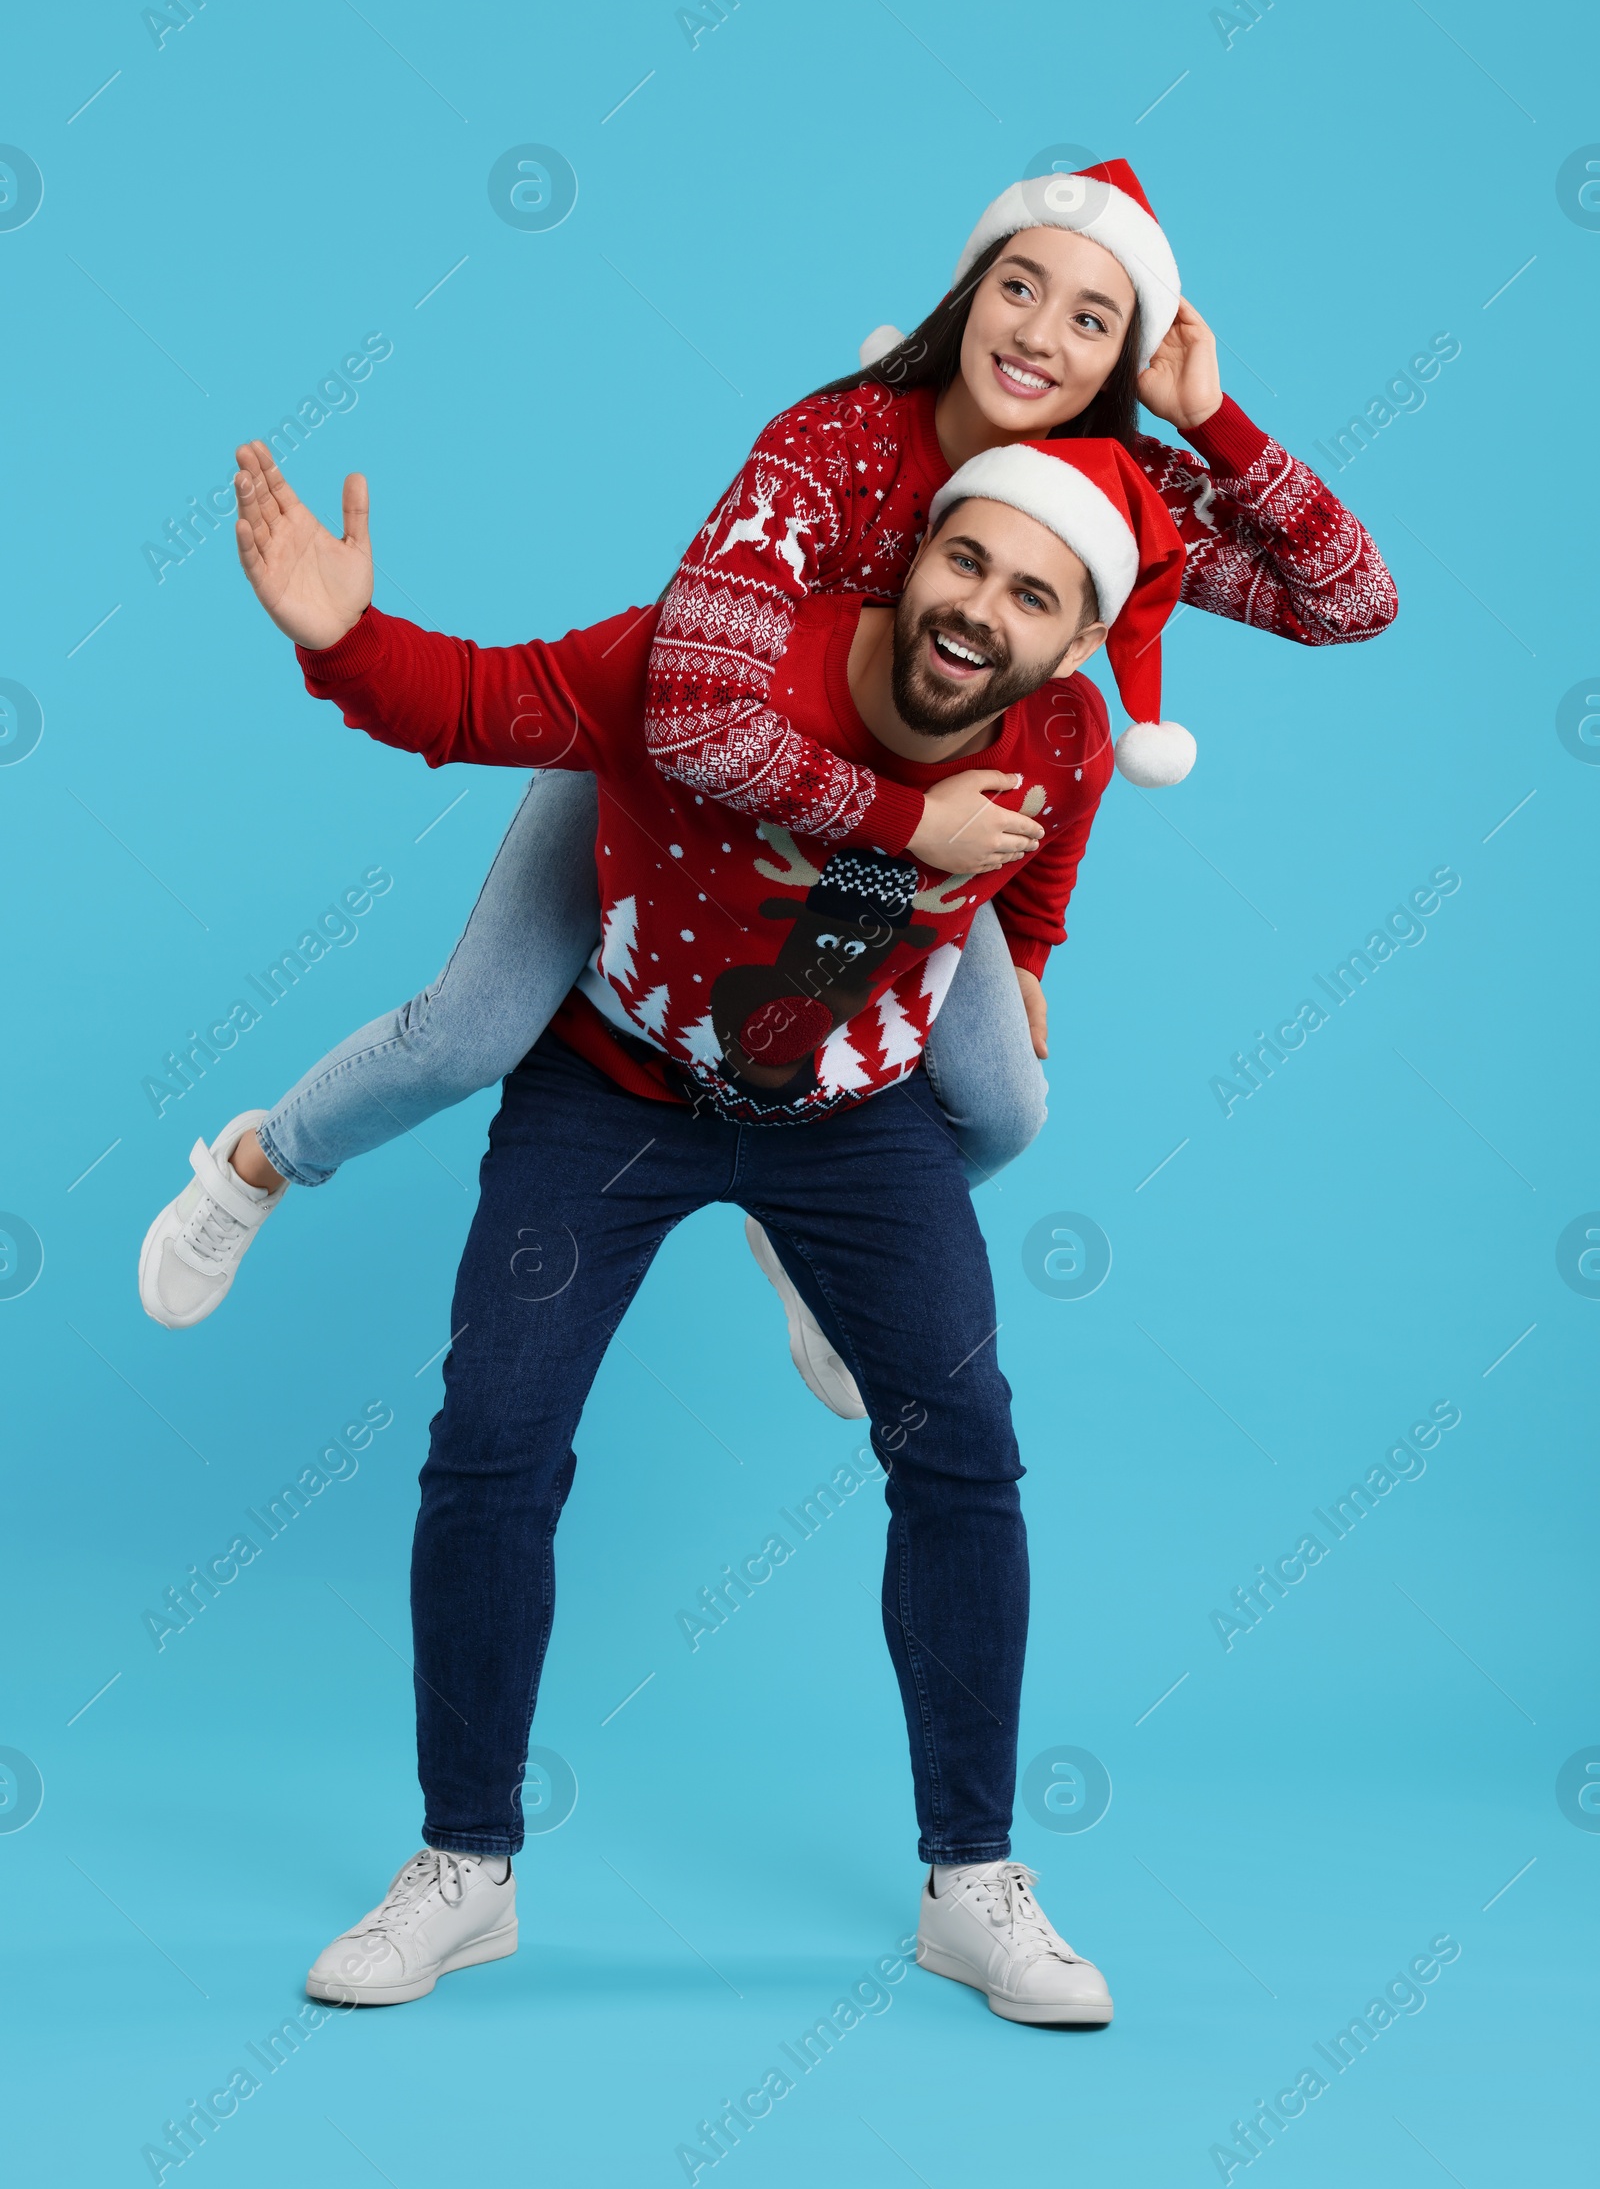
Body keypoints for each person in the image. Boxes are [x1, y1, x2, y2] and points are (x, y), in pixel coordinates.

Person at [138, 160, 1397, 1384]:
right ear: (968, 291)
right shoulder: (831, 440)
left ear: (1121, 358)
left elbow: (1351, 600)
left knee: (1006, 1110)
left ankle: (807, 1236)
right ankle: (261, 1159)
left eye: (1091, 318)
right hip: (681, 782)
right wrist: (344, 641)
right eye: (1019, 286)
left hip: (890, 862)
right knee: (467, 1033)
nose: (1039, 336)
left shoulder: (1096, 492)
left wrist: (1211, 418)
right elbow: (687, 713)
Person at [226, 422, 1185, 2024]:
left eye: (1033, 593)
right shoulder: (715, 662)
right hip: (616, 1083)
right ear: (912, 555)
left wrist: (1030, 951)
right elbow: (474, 701)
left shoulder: (1065, 736)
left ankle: (973, 1884)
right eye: (966, 559)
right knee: (495, 1440)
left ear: (1075, 641)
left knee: (962, 1442)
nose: (981, 609)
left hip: (856, 1118)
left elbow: (1046, 855)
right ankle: (464, 1864)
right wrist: (341, 636)